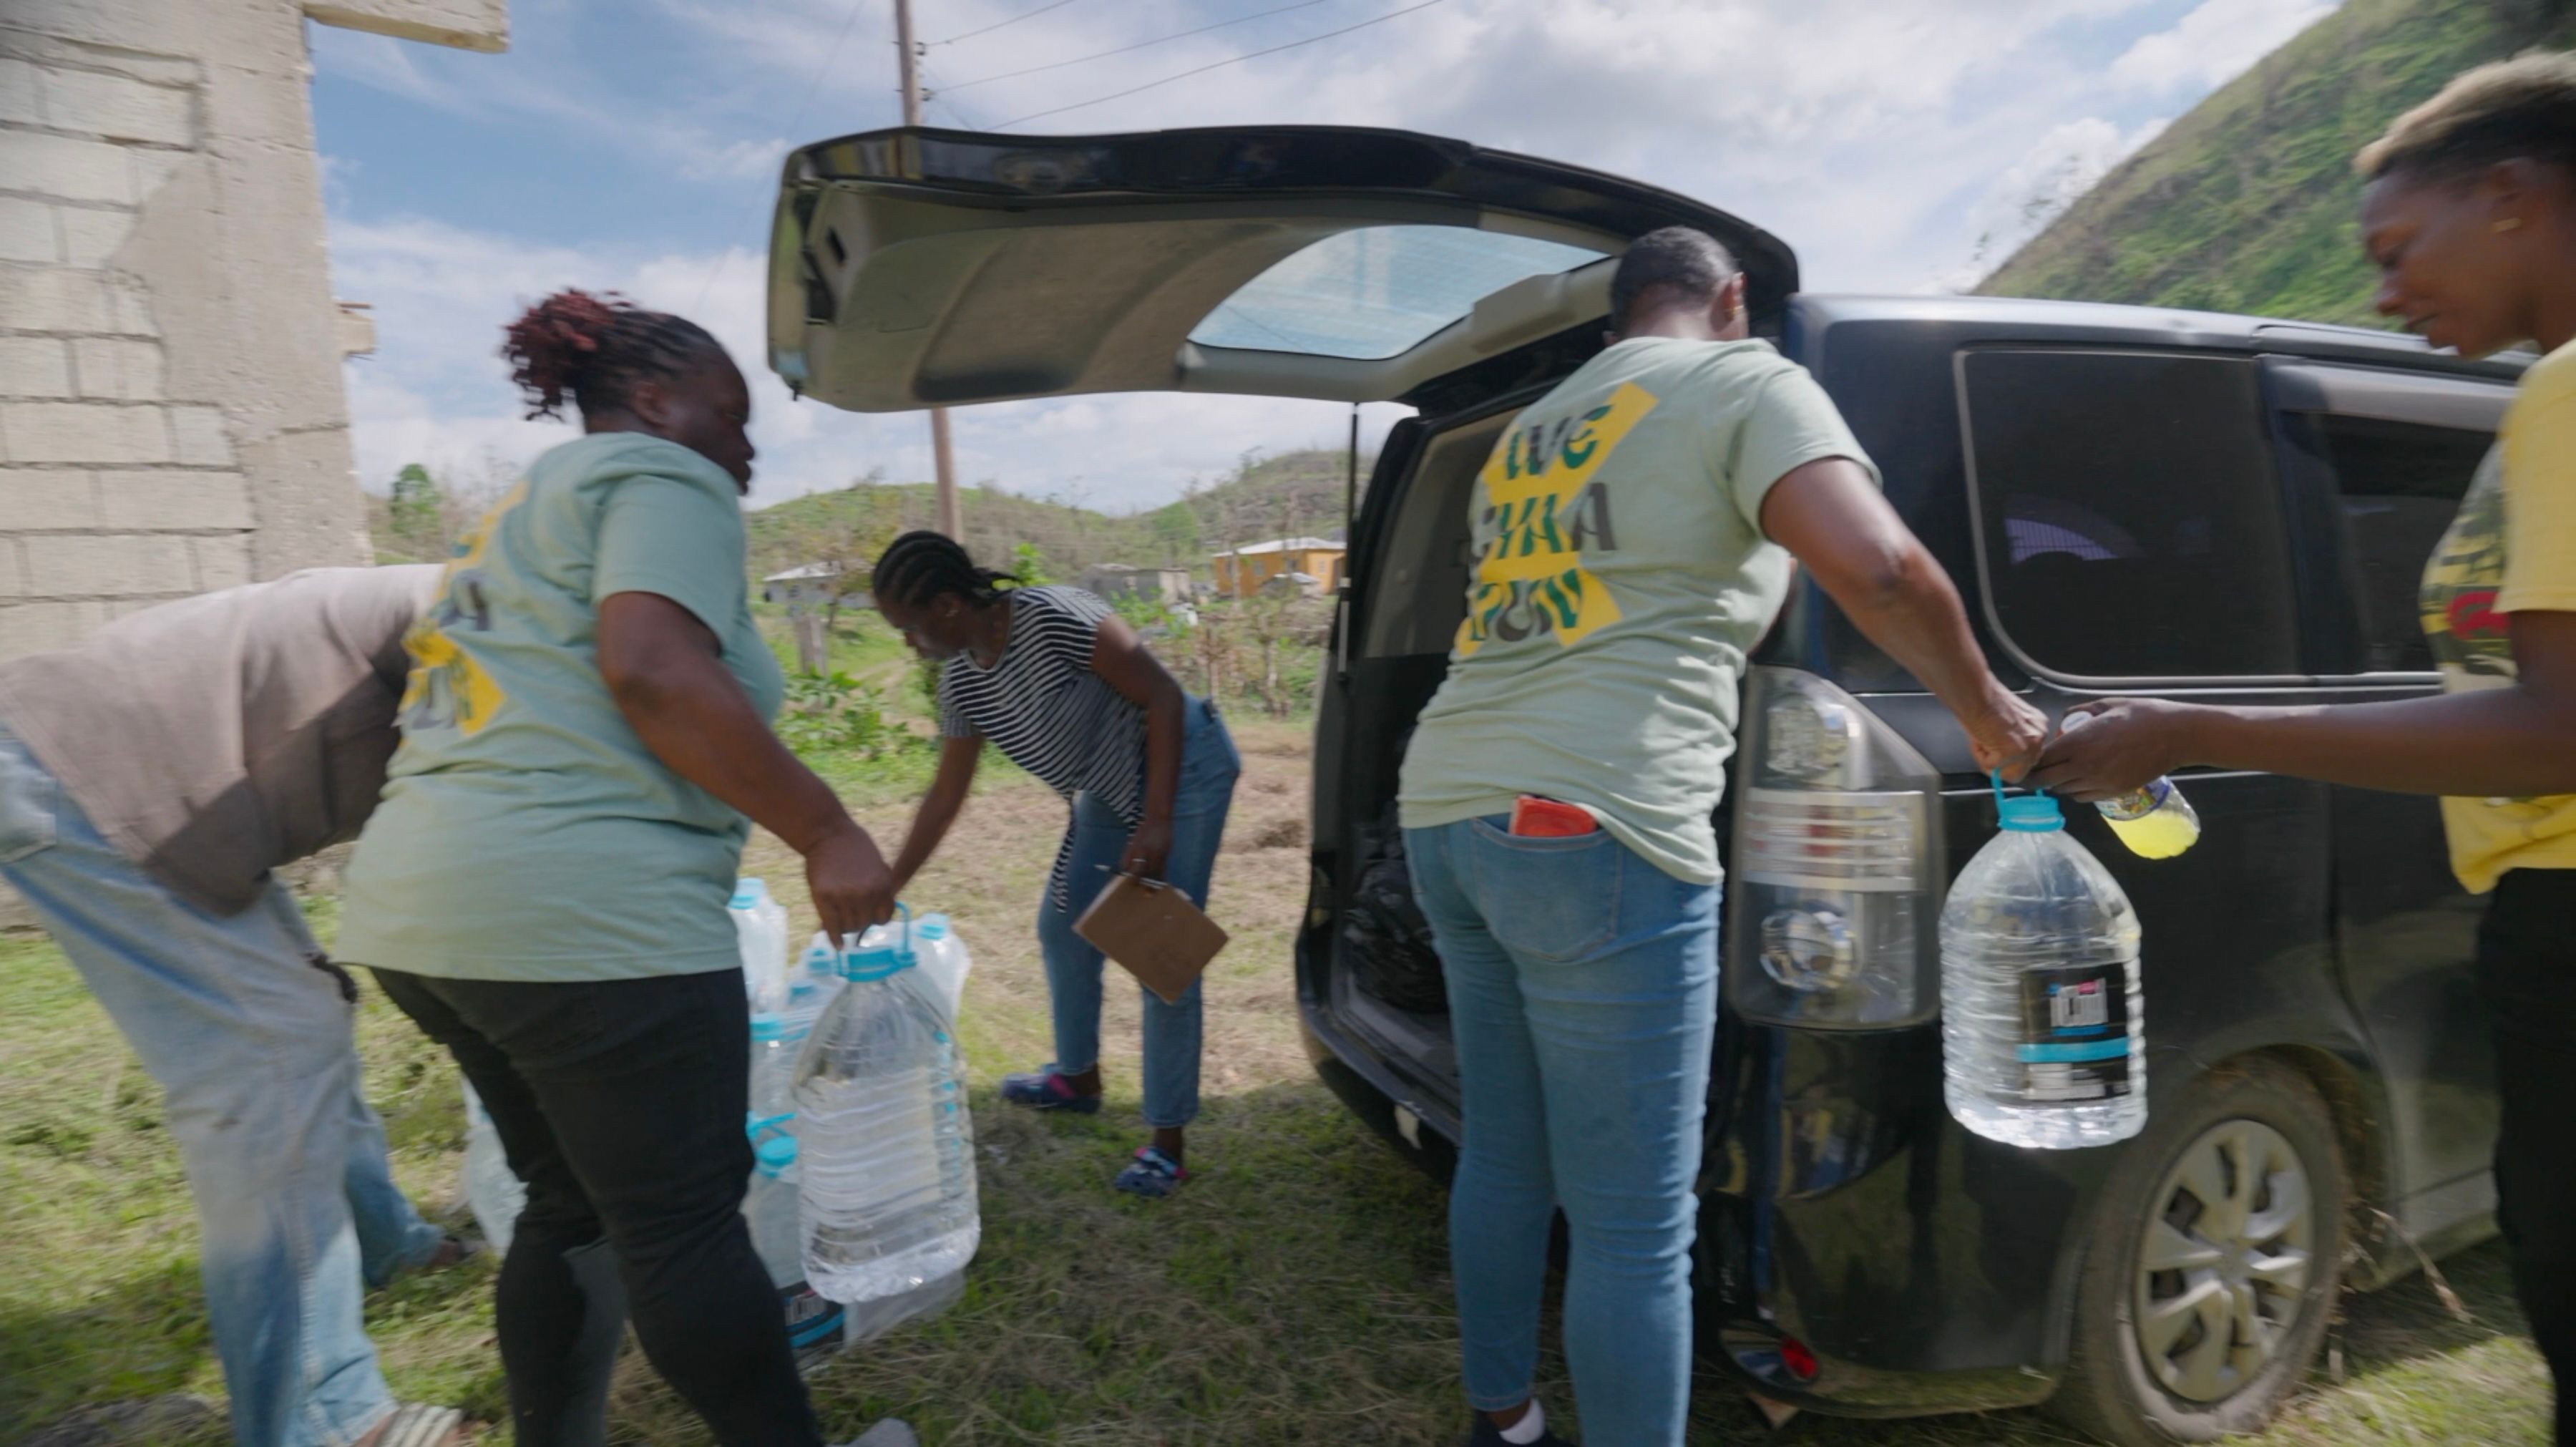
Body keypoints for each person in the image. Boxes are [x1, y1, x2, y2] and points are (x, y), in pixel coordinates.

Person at [1397, 227, 2049, 1447]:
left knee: (1507, 1151)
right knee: (1633, 1225)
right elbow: (1883, 569)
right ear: (1733, 299)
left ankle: (1504, 1417)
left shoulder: (1531, 433)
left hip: (1446, 803)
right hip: (1598, 818)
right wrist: (1993, 716)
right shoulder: (1745, 381)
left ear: (1616, 316)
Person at [2035, 54, 2576, 1446]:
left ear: (2510, 197)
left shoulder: (2568, 392)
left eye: (2397, 251)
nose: (2385, 295)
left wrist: (2192, 728)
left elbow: (2558, 727)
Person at [334, 291, 909, 1447]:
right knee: (681, 1225)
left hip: (421, 916)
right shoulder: (661, 475)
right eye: (729, 414)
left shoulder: (522, 512)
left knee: (572, 1205)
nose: (745, 447)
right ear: (651, 402)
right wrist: (827, 828)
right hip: (586, 923)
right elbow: (651, 668)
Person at [0, 566, 475, 1447]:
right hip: (84, 774)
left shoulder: (486, 602)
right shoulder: (485, 615)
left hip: (123, 775)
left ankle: (385, 1243)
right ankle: (325, 1418)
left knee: (304, 1015)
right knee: (271, 1060)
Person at [873, 531, 1240, 1199]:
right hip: (1107, 787)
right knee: (1063, 927)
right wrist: (888, 883)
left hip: (1184, 768)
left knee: (1162, 958)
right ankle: (1078, 1079)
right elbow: (945, 797)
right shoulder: (963, 683)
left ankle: (1168, 1143)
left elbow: (1162, 696)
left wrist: (1156, 821)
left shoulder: (1054, 617)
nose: (908, 644)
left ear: (949, 605)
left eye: (910, 627)